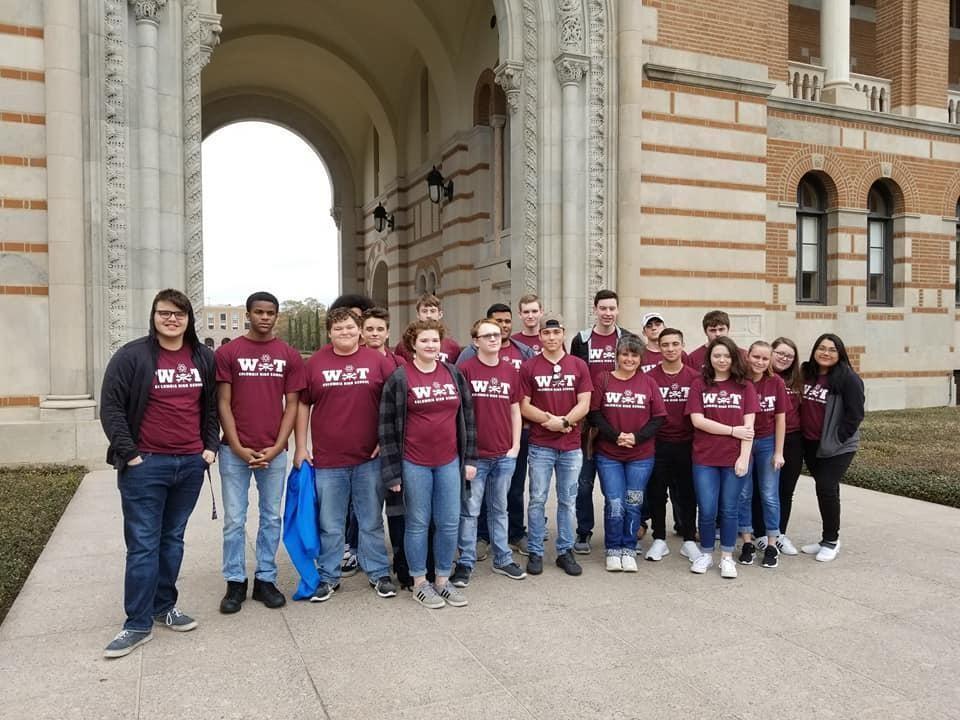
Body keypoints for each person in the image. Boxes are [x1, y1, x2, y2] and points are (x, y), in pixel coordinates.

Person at [100, 289, 219, 658]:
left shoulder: (202, 357)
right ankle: (137, 623)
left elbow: (212, 406)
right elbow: (112, 409)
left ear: (188, 318)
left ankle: (164, 605)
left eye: (179, 314)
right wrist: (130, 455)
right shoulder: (132, 356)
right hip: (145, 465)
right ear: (153, 316)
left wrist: (209, 448)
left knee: (173, 540)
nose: (172, 319)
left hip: (189, 465)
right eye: (164, 313)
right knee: (143, 545)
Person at [294, 307, 399, 602]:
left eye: (351, 328)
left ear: (360, 330)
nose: (345, 333)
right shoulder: (314, 363)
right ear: (329, 332)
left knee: (370, 521)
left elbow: (394, 402)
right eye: (339, 328)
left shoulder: (377, 361)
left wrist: (386, 438)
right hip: (328, 460)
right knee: (331, 523)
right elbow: (303, 405)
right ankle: (328, 576)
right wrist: (301, 447)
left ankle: (378, 572)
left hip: (369, 458)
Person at [216, 291, 305, 614]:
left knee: (271, 517)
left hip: (274, 450)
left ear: (276, 315)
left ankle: (265, 579)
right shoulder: (229, 352)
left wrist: (280, 446)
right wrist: (237, 446)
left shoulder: (288, 355)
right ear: (248, 314)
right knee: (234, 520)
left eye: (270, 312)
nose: (264, 317)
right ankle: (235, 581)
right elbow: (222, 402)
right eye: (259, 312)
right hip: (234, 452)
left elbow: (292, 404)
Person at [379, 319, 478, 608]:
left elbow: (469, 419)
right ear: (412, 344)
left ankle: (442, 581)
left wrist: (470, 459)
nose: (430, 345)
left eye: (434, 340)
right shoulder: (400, 378)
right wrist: (392, 473)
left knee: (448, 523)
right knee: (418, 523)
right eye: (424, 341)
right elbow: (385, 427)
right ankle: (419, 582)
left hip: (449, 462)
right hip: (413, 462)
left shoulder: (453, 374)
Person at [457, 304, 534, 558]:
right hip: (476, 455)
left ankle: (503, 557)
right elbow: (459, 414)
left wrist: (515, 447)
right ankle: (467, 560)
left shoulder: (511, 371)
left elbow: (515, 410)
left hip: (504, 454)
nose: (494, 338)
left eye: (497, 335)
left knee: (500, 508)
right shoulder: (465, 370)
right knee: (471, 510)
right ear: (475, 341)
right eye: (487, 335)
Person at [519, 313, 593, 577]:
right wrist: (548, 421)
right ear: (539, 336)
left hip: (571, 446)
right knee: (537, 499)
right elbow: (524, 405)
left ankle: (565, 551)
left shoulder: (578, 365)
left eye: (556, 333)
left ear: (563, 334)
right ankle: (536, 551)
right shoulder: (529, 367)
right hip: (541, 445)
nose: (551, 338)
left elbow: (584, 402)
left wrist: (563, 423)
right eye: (546, 333)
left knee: (567, 501)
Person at [587, 334, 666, 571]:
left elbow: (659, 417)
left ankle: (629, 548)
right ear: (617, 356)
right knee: (615, 502)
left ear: (640, 358)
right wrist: (616, 435)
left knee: (634, 502)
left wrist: (636, 437)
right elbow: (594, 413)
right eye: (625, 354)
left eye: (634, 355)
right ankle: (613, 548)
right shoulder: (603, 379)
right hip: (609, 453)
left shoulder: (648, 382)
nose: (629, 359)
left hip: (640, 455)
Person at [685, 336, 758, 579]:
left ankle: (727, 557)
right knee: (706, 509)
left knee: (729, 509)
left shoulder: (745, 386)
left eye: (726, 355)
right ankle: (706, 553)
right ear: (710, 358)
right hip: (705, 458)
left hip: (733, 458)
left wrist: (744, 458)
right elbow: (698, 421)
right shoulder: (699, 384)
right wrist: (731, 430)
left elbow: (749, 428)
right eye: (717, 355)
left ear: (734, 358)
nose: (722, 360)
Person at [570, 290, 633, 554]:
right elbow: (575, 379)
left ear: (618, 310)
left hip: (617, 419)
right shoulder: (581, 340)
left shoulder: (627, 339)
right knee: (584, 483)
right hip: (587, 424)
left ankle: (619, 535)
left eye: (612, 308)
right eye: (603, 308)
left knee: (616, 487)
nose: (608, 313)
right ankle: (583, 532)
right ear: (594, 309)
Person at [799, 333, 864, 562]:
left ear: (840, 353)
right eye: (822, 348)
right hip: (811, 443)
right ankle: (825, 538)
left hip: (838, 446)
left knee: (826, 487)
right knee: (826, 488)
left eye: (832, 349)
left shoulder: (848, 379)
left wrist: (837, 438)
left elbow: (855, 414)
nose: (826, 353)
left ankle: (831, 541)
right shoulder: (807, 374)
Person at [360, 306, 409, 586]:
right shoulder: (355, 361)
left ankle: (400, 559)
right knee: (367, 512)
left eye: (380, 329)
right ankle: (371, 562)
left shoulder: (398, 363)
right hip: (364, 446)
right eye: (370, 329)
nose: (375, 334)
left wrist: (388, 439)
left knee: (397, 507)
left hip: (392, 446)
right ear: (362, 332)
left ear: (387, 332)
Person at [644, 327, 701, 563]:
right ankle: (659, 538)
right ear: (659, 347)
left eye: (674, 344)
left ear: (682, 345)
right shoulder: (650, 377)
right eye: (665, 344)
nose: (669, 349)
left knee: (688, 493)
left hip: (687, 443)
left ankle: (689, 538)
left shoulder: (694, 377)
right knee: (657, 493)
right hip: (658, 443)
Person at [736, 341, 787, 569]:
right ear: (748, 356)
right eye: (756, 357)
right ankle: (747, 541)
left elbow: (780, 418)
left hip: (766, 442)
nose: (760, 362)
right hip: (743, 442)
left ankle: (772, 543)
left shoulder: (775, 382)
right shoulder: (739, 381)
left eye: (765, 359)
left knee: (769, 494)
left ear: (770, 361)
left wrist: (778, 452)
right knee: (744, 494)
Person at [754, 337, 803, 556]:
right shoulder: (758, 379)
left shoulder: (798, 381)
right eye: (780, 353)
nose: (784, 358)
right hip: (763, 437)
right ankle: (760, 533)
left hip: (791, 439)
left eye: (789, 356)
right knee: (759, 488)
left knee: (784, 490)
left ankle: (779, 533)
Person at [394, 294, 462, 364]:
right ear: (418, 315)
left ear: (440, 314)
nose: (429, 315)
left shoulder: (452, 347)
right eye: (424, 311)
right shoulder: (404, 346)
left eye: (432, 311)